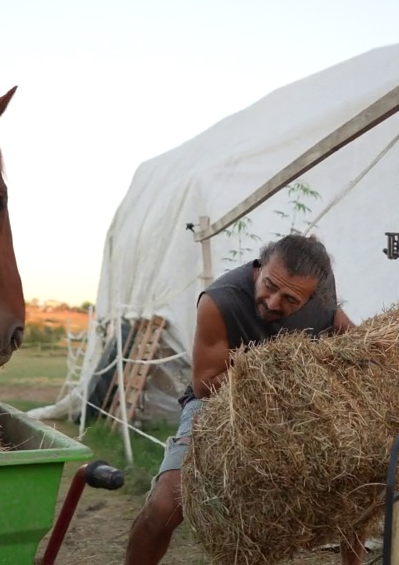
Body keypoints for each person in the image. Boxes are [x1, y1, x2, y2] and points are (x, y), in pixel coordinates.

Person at [124, 233, 366, 565]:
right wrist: (274, 367)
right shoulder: (220, 300)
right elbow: (205, 384)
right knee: (166, 503)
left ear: (313, 295)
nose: (273, 302)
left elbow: (335, 322)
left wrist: (368, 346)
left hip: (296, 402)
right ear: (261, 265)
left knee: (359, 472)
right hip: (220, 401)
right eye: (269, 285)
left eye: (291, 299)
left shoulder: (321, 291)